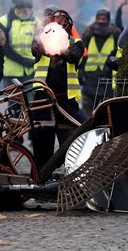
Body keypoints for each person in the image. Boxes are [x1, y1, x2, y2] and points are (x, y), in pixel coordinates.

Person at [30, 9, 85, 170]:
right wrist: (47, 40)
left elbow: (73, 56)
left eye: (62, 20)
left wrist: (59, 48)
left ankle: (72, 171)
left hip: (65, 98)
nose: (59, 23)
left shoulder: (76, 43)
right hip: (42, 97)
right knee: (41, 135)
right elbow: (35, 50)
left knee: (69, 138)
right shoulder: (40, 39)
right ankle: (41, 171)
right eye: (56, 20)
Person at [79, 8, 122, 114]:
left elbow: (119, 53)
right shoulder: (89, 32)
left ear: (108, 19)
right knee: (87, 113)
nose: (101, 21)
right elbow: (82, 53)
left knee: (106, 113)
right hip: (89, 78)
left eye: (104, 19)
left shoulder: (115, 33)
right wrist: (80, 71)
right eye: (99, 18)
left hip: (107, 80)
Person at [0, 0, 38, 88]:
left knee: (30, 101)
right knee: (14, 101)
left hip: (31, 70)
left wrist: (34, 61)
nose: (26, 10)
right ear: (16, 7)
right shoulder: (4, 22)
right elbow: (3, 46)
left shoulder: (37, 22)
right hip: (12, 72)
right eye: (22, 7)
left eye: (28, 7)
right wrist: (22, 60)